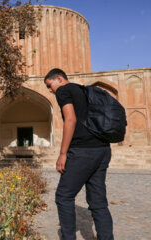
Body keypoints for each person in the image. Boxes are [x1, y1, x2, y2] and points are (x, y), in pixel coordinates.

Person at [44, 68, 113, 240]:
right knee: (98, 202)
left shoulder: (64, 91)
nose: (50, 90)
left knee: (64, 196)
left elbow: (71, 119)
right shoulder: (85, 90)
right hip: (102, 150)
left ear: (59, 78)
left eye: (49, 85)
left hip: (83, 151)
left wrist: (63, 153)